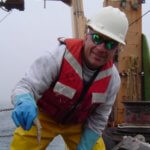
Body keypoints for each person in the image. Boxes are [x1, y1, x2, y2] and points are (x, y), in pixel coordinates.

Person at [10, 6, 128, 150]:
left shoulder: (112, 79)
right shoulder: (58, 56)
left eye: (110, 44)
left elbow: (100, 117)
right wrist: (24, 101)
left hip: (78, 123)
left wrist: (85, 146)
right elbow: (25, 85)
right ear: (86, 35)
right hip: (43, 117)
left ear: (116, 49)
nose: (101, 48)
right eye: (97, 38)